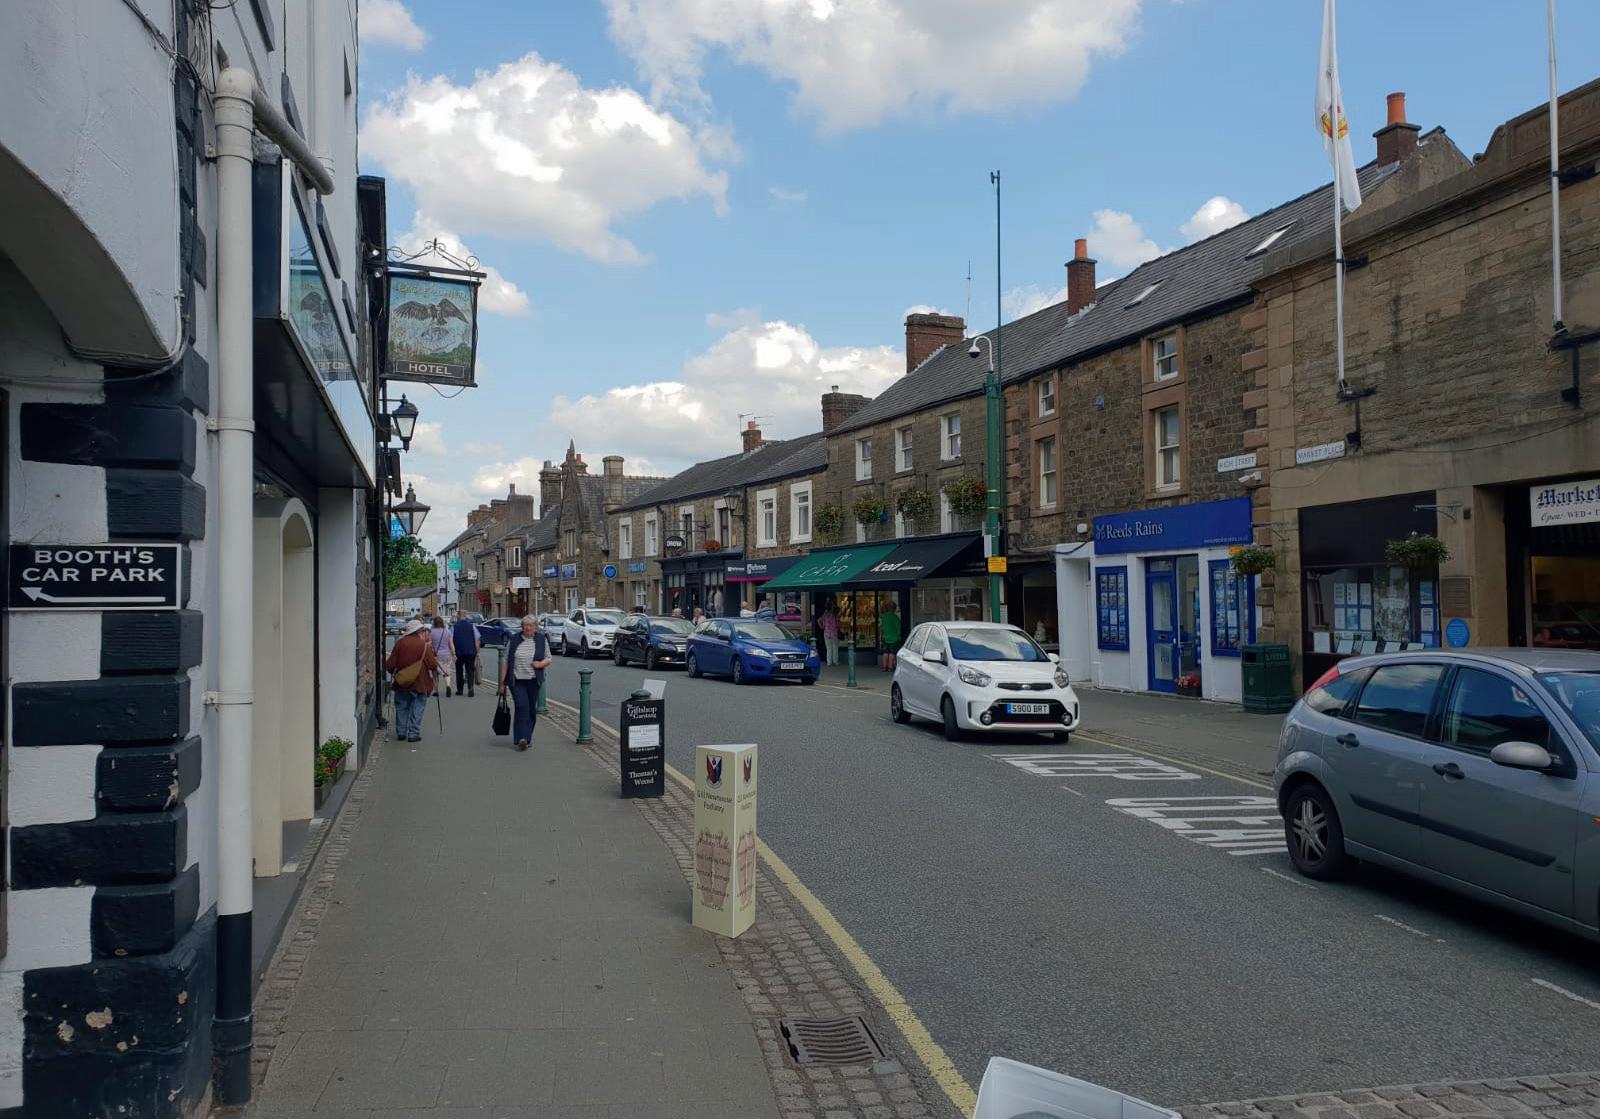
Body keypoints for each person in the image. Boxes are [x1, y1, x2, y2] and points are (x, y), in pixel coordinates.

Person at [499, 616, 553, 751]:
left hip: (533, 680)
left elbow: (548, 658)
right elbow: (505, 660)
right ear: (522, 627)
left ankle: (527, 738)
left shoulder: (541, 639)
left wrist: (540, 664)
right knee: (521, 706)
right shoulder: (514, 639)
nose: (527, 628)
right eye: (525, 625)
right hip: (516, 679)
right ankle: (521, 738)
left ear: (536, 627)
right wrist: (502, 683)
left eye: (530, 625)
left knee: (531, 710)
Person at [385, 620, 439, 743]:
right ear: (418, 632)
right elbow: (432, 665)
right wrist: (435, 679)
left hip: (402, 682)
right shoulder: (423, 645)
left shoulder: (400, 644)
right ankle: (413, 734)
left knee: (401, 707)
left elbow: (390, 665)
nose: (423, 633)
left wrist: (394, 671)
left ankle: (401, 732)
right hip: (420, 682)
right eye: (422, 631)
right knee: (418, 707)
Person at [452, 611, 481, 697]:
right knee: (470, 670)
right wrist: (478, 652)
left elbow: (451, 640)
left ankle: (460, 689)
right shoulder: (472, 626)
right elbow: (477, 640)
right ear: (465, 616)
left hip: (459, 652)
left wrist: (453, 653)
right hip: (471, 651)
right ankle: (470, 687)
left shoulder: (454, 627)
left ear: (458, 616)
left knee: (459, 670)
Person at [430, 615, 456, 697]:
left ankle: (436, 690)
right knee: (446, 671)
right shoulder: (447, 631)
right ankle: (448, 685)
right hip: (447, 654)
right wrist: (454, 654)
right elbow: (451, 644)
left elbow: (430, 644)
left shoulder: (432, 632)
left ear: (434, 623)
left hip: (436, 655)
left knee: (435, 673)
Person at [879, 598, 902, 672]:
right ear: (894, 609)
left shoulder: (884, 616)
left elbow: (882, 627)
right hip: (894, 637)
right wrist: (899, 636)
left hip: (886, 637)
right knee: (892, 652)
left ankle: (884, 666)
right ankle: (890, 667)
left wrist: (881, 635)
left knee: (885, 652)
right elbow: (898, 628)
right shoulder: (895, 617)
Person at [820, 602, 839, 666]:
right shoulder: (835, 615)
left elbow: (820, 621)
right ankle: (835, 661)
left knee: (828, 648)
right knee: (835, 647)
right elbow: (837, 624)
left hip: (826, 633)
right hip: (834, 633)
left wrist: (822, 627)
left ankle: (829, 662)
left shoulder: (825, 614)